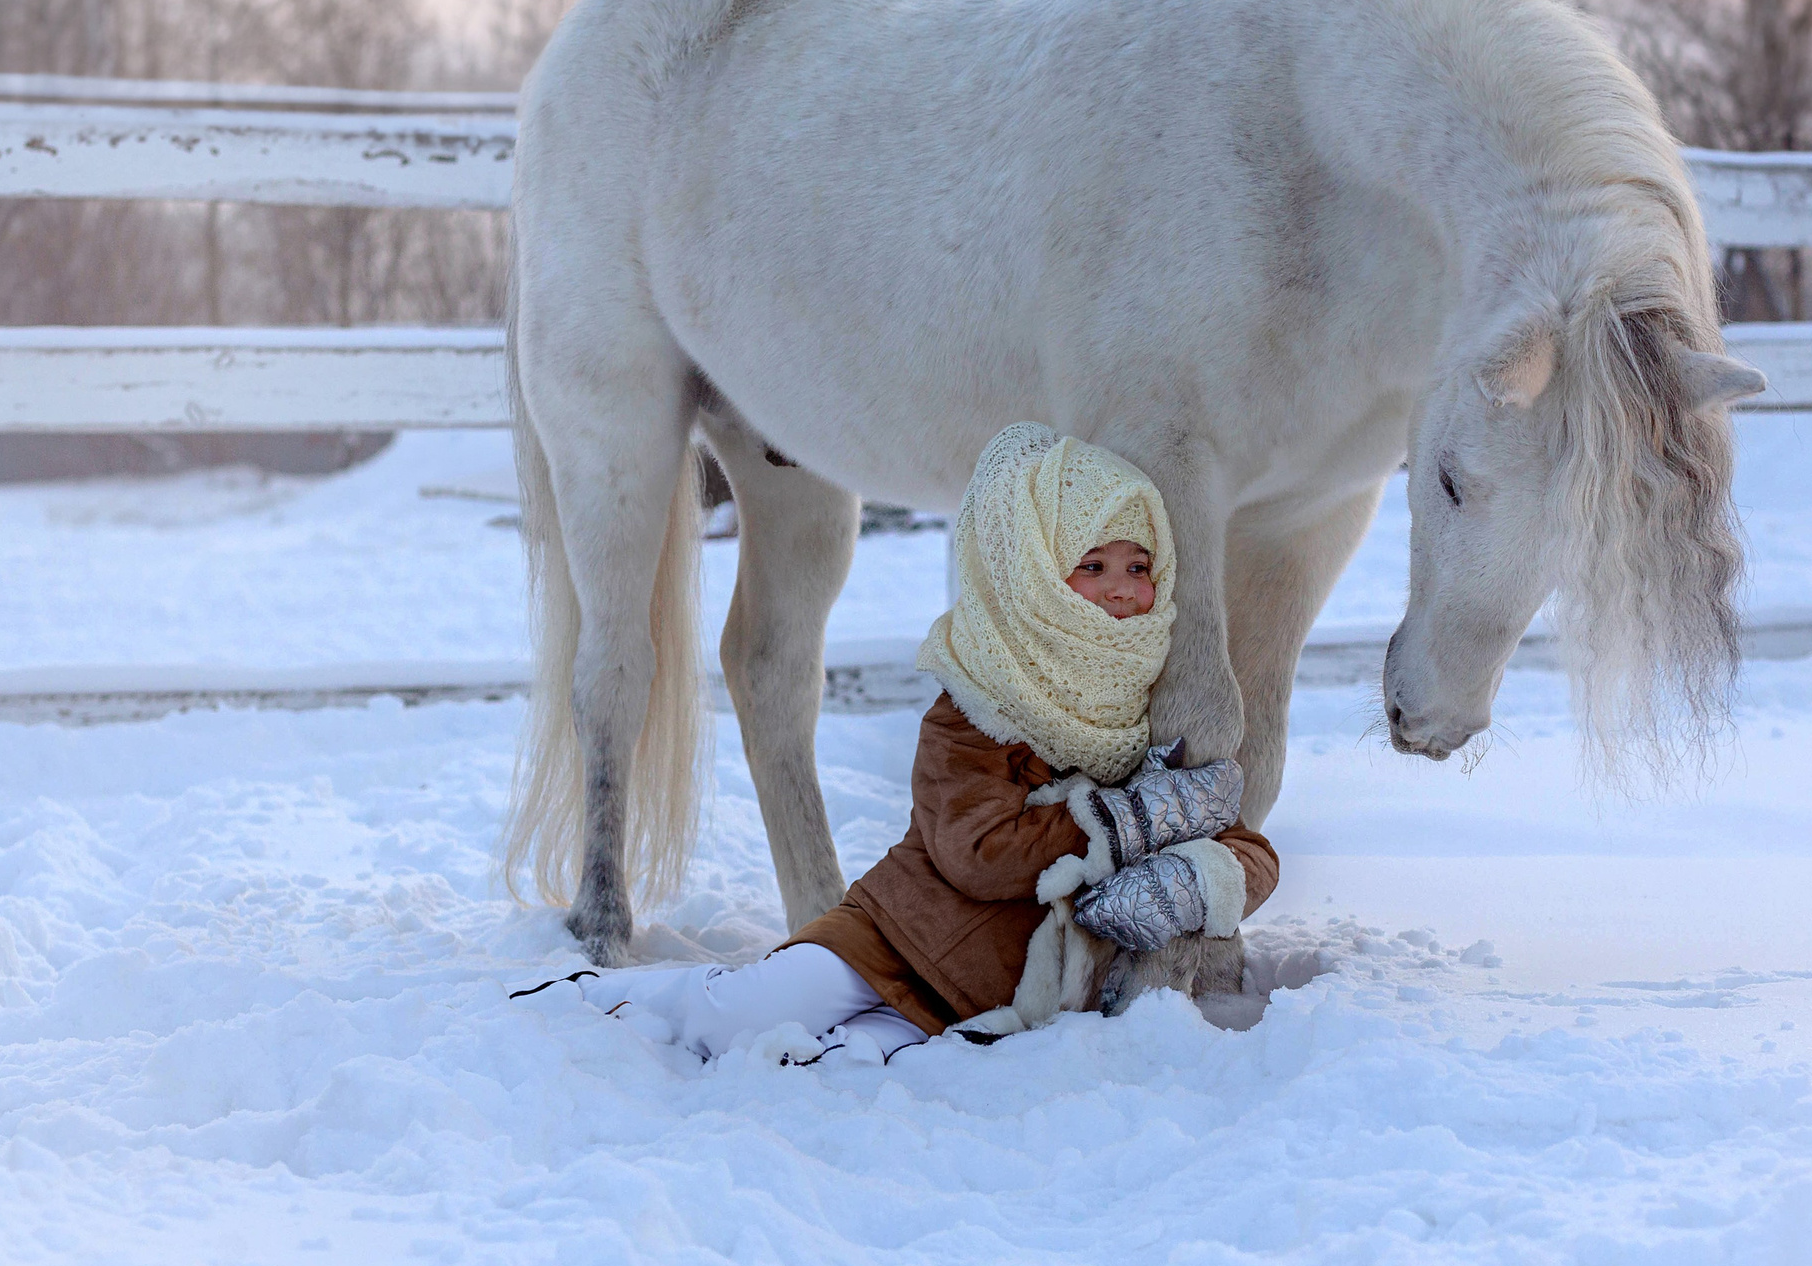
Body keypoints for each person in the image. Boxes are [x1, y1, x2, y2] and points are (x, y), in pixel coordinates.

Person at [513, 423, 1277, 1065]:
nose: (1122, 589)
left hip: (970, 1006)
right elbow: (976, 850)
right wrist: (1125, 823)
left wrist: (1196, 873)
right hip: (885, 947)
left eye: (1140, 567)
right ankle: (597, 1006)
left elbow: (1245, 843)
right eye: (1093, 566)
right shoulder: (978, 704)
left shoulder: (1146, 713)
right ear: (1040, 578)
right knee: (749, 1012)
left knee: (840, 1062)